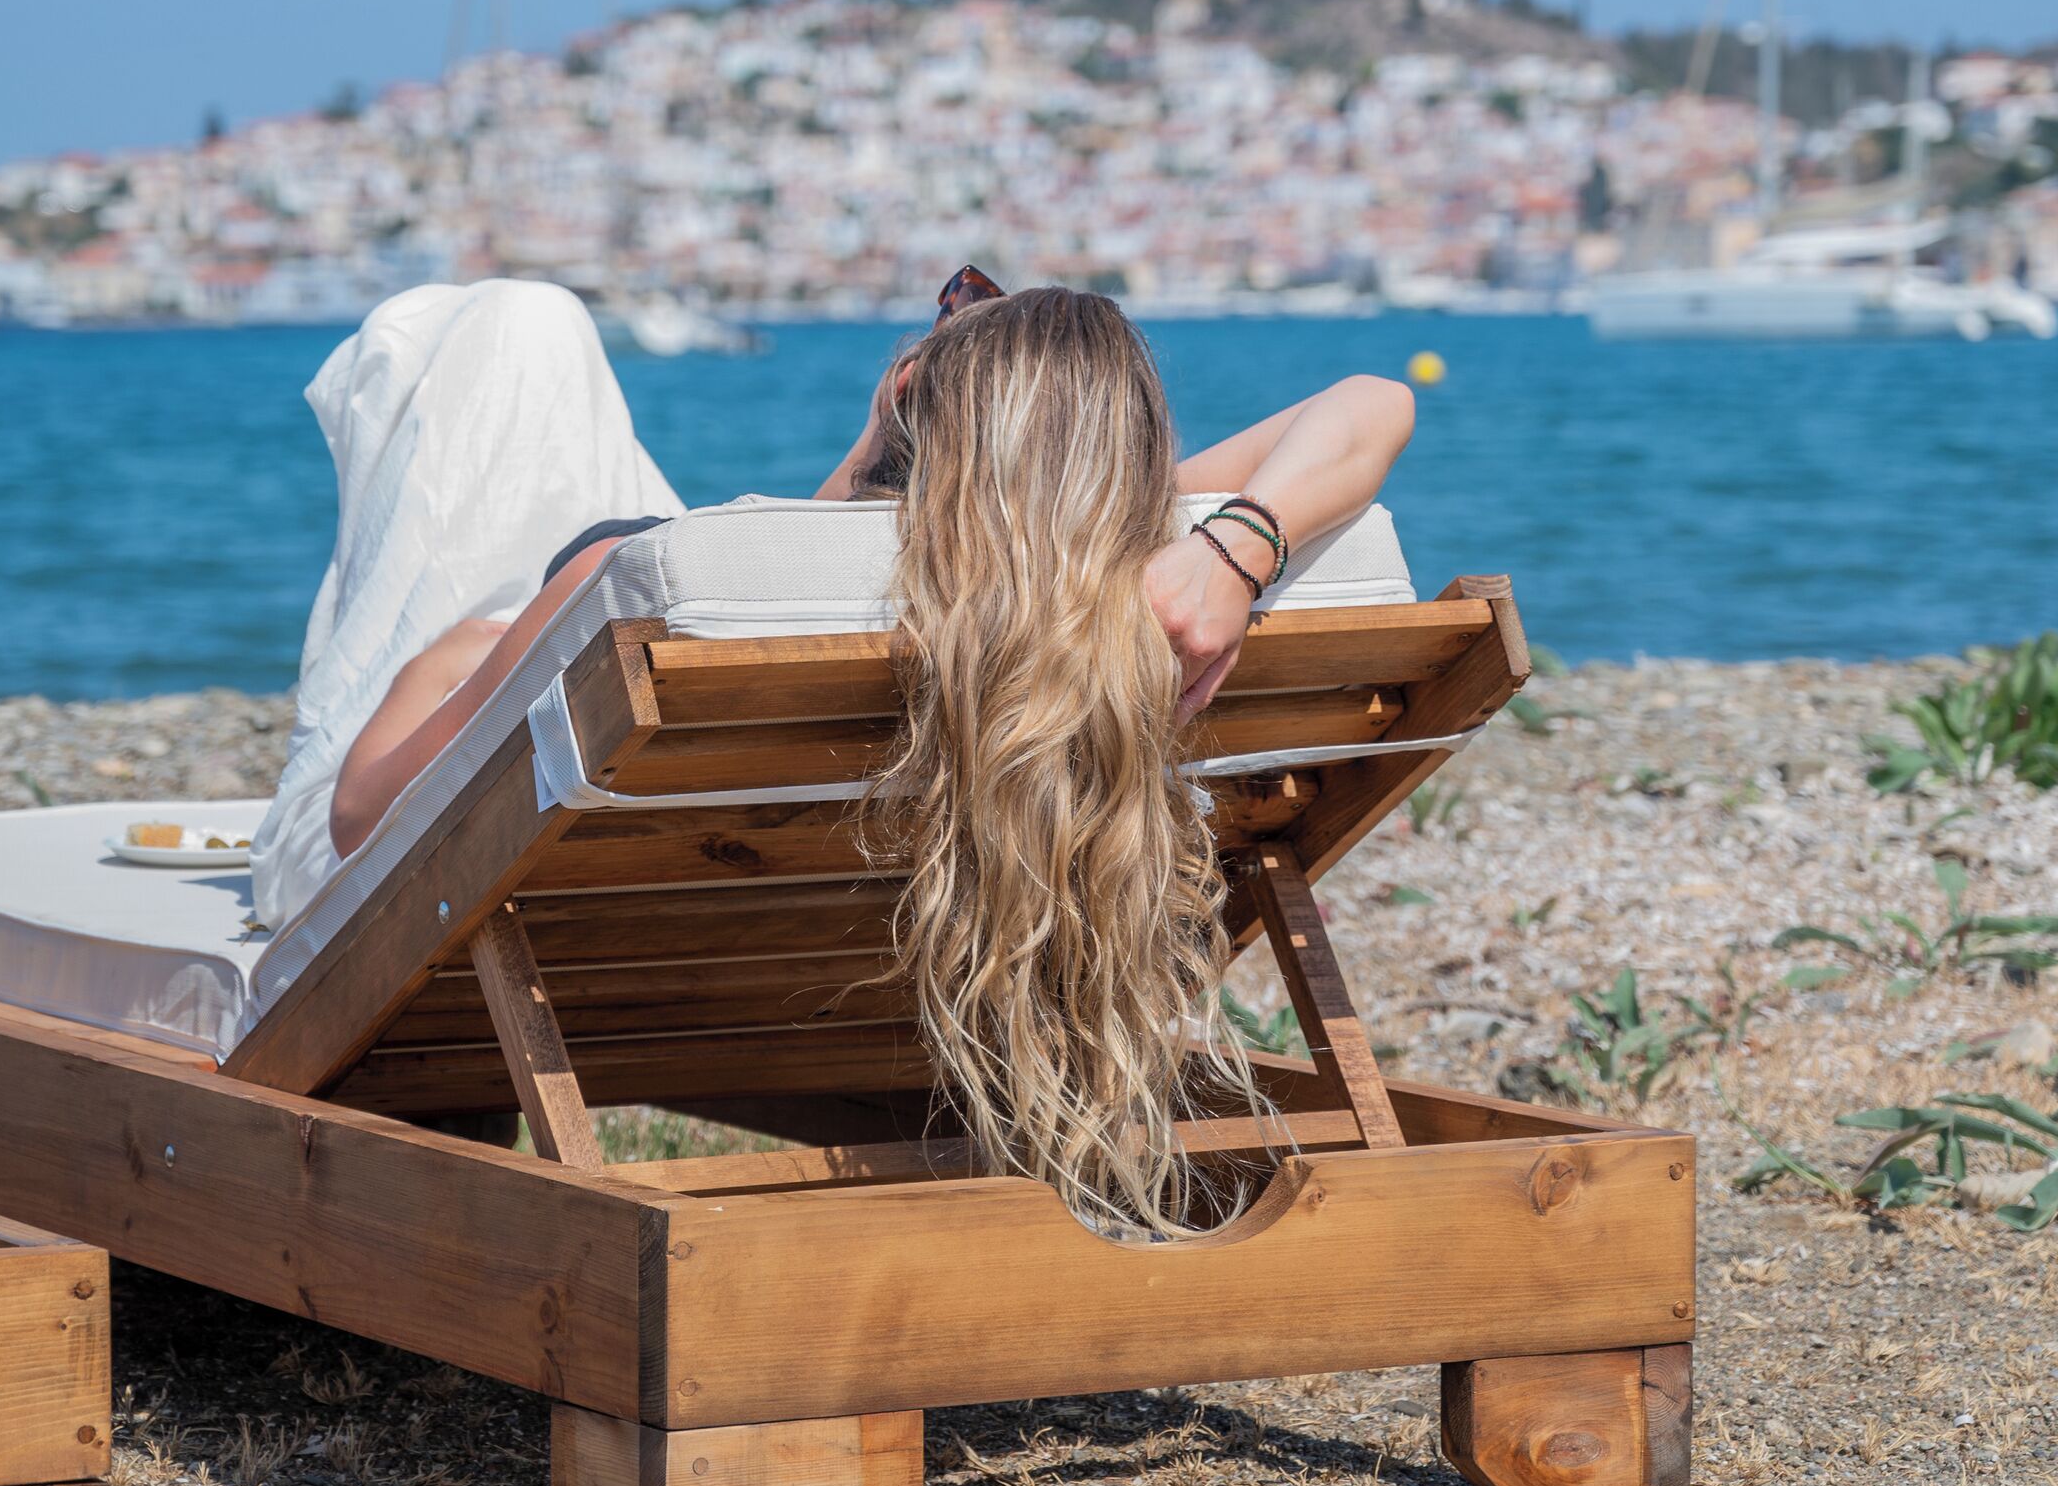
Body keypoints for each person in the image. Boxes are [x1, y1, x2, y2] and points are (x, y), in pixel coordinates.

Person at [252, 272, 1413, 1234]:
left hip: (463, 869)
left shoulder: (648, 572)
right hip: (693, 853)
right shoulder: (1096, 583)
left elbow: (365, 820)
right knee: (530, 354)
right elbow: (1372, 402)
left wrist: (455, 648)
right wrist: (1239, 552)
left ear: (905, 383)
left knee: (500, 333)